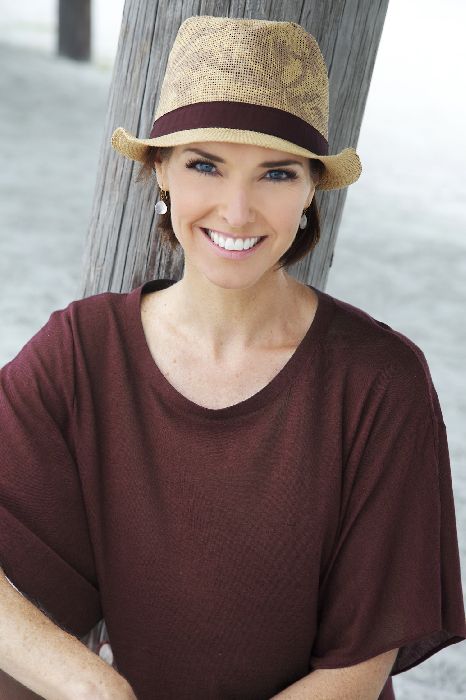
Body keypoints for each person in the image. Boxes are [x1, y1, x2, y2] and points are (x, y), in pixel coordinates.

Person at [0, 14, 465, 700]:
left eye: (275, 173)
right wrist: (94, 686)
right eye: (205, 165)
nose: (238, 210)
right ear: (160, 169)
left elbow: (356, 672)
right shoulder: (83, 352)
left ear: (311, 189)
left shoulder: (378, 383)